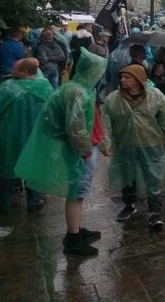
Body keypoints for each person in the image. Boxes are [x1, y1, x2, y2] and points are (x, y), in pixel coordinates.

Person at [15, 49, 109, 256]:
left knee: (79, 192)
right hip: (76, 152)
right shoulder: (77, 92)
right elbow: (76, 129)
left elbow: (90, 121)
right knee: (76, 192)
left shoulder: (81, 88)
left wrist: (99, 143)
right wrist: (84, 152)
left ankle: (75, 229)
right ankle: (73, 239)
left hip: (79, 150)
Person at [103, 64, 165, 230]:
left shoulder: (155, 96)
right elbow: (105, 122)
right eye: (121, 77)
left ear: (138, 79)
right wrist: (106, 143)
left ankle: (155, 212)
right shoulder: (114, 98)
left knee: (154, 176)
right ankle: (129, 204)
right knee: (127, 176)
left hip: (150, 143)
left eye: (127, 77)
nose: (122, 80)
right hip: (125, 144)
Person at [0, 59, 53, 213]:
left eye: (15, 68)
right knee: (34, 166)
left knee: (7, 167)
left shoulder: (9, 88)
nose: (12, 70)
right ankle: (34, 200)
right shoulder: (45, 86)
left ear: (25, 71)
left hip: (12, 135)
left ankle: (2, 204)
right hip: (37, 136)